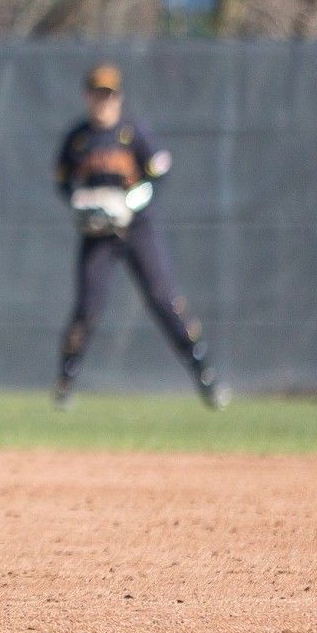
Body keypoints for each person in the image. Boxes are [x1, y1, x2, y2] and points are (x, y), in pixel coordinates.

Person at [52, 63, 227, 410]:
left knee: (165, 300)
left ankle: (205, 376)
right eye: (97, 93)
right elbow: (62, 181)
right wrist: (79, 201)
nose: (103, 101)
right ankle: (65, 384)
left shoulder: (132, 133)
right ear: (87, 96)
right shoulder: (78, 139)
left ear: (119, 97)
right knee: (87, 309)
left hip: (137, 228)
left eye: (109, 94)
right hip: (98, 235)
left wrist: (129, 200)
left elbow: (160, 168)